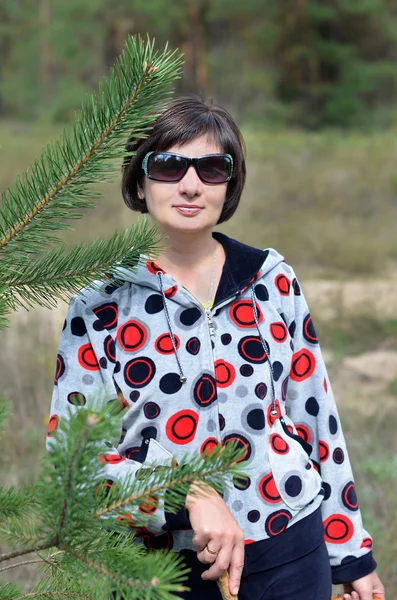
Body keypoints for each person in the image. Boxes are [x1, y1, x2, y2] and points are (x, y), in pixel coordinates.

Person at [47, 97, 385, 600]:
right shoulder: (99, 304)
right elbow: (72, 467)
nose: (189, 184)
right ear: (139, 182)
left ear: (230, 185)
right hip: (159, 571)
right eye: (167, 166)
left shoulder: (273, 281)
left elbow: (317, 423)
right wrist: (184, 494)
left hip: (289, 553)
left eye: (210, 168)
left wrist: (350, 554)